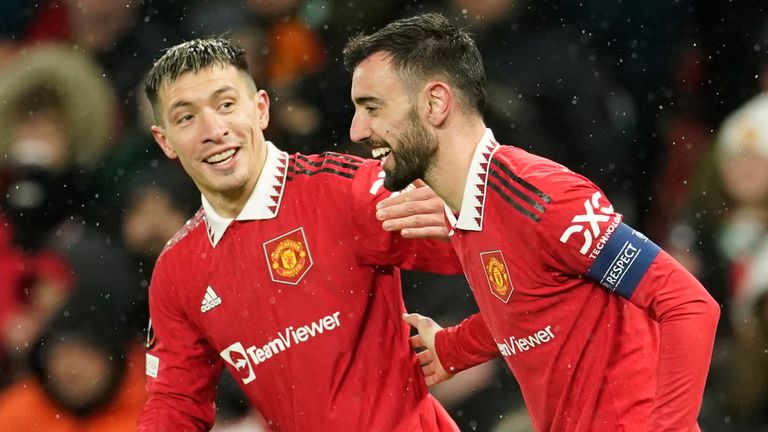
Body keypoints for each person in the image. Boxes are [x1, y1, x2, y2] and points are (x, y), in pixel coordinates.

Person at [344, 13, 721, 432]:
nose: (357, 130)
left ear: (435, 103)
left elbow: (689, 304)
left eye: (372, 107)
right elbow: (532, 303)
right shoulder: (470, 208)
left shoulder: (540, 198)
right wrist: (451, 348)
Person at [137, 37, 462, 431]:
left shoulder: (349, 192)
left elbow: (499, 247)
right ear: (165, 140)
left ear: (260, 109)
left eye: (226, 105)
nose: (213, 130)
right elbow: (176, 402)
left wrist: (462, 344)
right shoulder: (177, 272)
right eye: (186, 118)